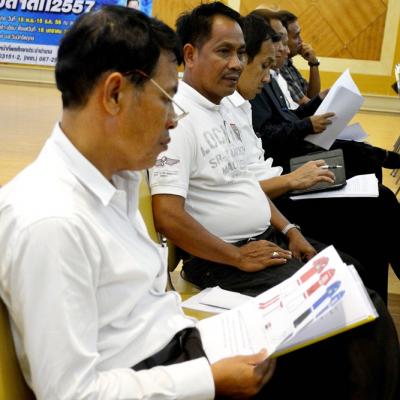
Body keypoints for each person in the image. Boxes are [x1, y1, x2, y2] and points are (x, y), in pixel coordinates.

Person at [0, 6, 278, 399]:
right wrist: (210, 380)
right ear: (114, 95)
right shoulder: (50, 222)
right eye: (167, 99)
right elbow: (72, 394)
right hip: (156, 374)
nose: (174, 119)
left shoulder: (117, 178)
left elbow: (141, 313)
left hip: (174, 348)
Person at [149, 4, 399, 398]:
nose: (236, 63)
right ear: (191, 54)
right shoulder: (178, 120)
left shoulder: (226, 109)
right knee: (356, 317)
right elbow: (167, 215)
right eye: (224, 52)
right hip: (222, 262)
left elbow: (247, 187)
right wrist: (237, 257)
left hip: (265, 241)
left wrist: (290, 229)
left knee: (355, 278)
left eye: (240, 53)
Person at [221, 13, 400, 303]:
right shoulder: (232, 102)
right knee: (376, 203)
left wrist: (290, 222)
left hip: (280, 187)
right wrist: (292, 181)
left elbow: (261, 160)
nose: (282, 49)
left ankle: (370, 298)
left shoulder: (245, 100)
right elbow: (240, 185)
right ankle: (369, 299)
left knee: (371, 189)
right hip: (280, 188)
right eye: (265, 63)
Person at [250, 9, 400, 181]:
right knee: (363, 158)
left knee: (363, 154)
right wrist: (307, 125)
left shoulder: (271, 77)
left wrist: (318, 101)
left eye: (284, 42)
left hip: (296, 150)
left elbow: (288, 117)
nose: (285, 50)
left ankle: (384, 160)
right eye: (278, 41)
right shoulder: (259, 82)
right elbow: (267, 138)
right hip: (287, 165)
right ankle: (386, 159)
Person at [278, 10, 321, 105]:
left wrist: (313, 63)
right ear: (283, 39)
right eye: (296, 36)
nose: (301, 40)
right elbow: (306, 104)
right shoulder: (279, 66)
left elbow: (312, 97)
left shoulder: (288, 63)